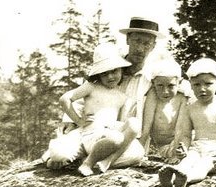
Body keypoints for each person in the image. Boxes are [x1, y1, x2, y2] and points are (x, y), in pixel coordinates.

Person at [44, 17, 164, 170]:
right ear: (128, 39)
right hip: (92, 131)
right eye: (137, 41)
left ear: (153, 46)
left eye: (146, 43)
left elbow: (177, 86)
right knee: (60, 153)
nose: (141, 48)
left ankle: (91, 160)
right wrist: (71, 119)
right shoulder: (108, 65)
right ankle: (73, 155)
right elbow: (83, 97)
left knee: (136, 154)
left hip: (123, 138)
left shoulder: (153, 76)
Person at [44, 42, 143, 176]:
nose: (110, 77)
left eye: (114, 71)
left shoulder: (121, 96)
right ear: (98, 75)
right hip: (90, 134)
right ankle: (86, 162)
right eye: (104, 74)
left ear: (121, 70)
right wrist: (78, 121)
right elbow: (64, 99)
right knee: (60, 155)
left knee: (137, 150)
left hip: (106, 134)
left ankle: (104, 160)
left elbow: (118, 120)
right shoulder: (91, 87)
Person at [158, 57, 216, 187]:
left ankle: (187, 178)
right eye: (196, 85)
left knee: (204, 164)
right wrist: (184, 148)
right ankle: (171, 178)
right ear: (191, 85)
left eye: (208, 84)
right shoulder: (191, 107)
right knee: (188, 160)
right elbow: (186, 134)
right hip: (197, 148)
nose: (202, 89)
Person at [139, 56, 192, 159]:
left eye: (171, 86)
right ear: (153, 83)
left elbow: (180, 129)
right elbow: (146, 128)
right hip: (164, 147)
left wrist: (177, 151)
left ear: (179, 82)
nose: (165, 91)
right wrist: (138, 152)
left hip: (181, 142)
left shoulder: (182, 98)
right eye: (160, 86)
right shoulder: (153, 95)